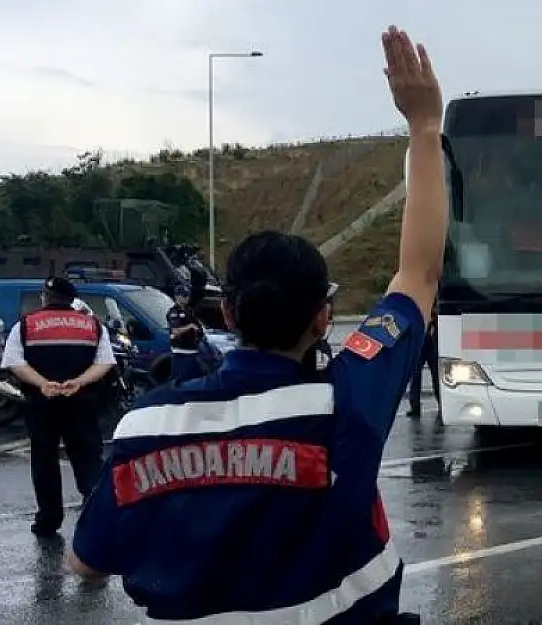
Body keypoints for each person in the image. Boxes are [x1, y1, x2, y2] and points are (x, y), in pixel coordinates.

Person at [67, 25, 444, 625]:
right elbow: (417, 274)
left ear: (230, 312)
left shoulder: (145, 424)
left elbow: (86, 561)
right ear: (323, 318)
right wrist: (425, 127)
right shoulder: (343, 405)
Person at [0, 277, 116, 536]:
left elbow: (14, 362)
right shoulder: (93, 326)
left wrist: (43, 384)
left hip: (43, 404)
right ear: (71, 299)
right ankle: (94, 514)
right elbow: (104, 363)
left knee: (45, 460)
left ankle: (49, 520)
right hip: (81, 402)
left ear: (45, 297)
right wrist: (78, 382)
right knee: (87, 457)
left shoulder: (26, 325)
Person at [165, 268, 209, 382]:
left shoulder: (189, 310)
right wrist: (190, 327)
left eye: (187, 295)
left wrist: (199, 331)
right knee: (179, 382)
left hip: (193, 352)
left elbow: (197, 325)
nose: (187, 298)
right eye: (184, 296)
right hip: (181, 353)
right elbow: (175, 331)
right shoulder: (174, 312)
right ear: (177, 297)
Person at [406, 307, 440, 417]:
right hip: (419, 344)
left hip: (431, 344)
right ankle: (415, 406)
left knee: (436, 376)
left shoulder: (434, 305)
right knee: (415, 376)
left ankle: (442, 404)